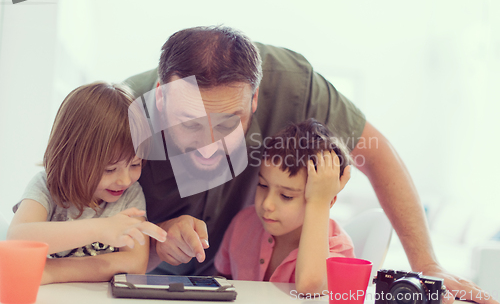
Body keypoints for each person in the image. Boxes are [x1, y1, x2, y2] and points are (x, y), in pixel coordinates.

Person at [124, 25, 496, 304]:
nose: (208, 146)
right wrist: (155, 241)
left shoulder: (293, 85)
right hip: (146, 278)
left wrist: (427, 264)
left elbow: (377, 155)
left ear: (255, 100)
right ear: (160, 96)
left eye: (228, 122)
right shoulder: (117, 115)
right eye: (188, 123)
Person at [7, 82, 167, 284]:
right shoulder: (47, 186)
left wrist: (49, 272)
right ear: (72, 156)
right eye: (109, 169)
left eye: (135, 164)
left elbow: (135, 263)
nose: (125, 180)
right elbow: (17, 239)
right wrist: (100, 229)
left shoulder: (130, 193)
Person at [214, 119, 354, 294]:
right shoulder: (243, 223)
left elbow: (310, 286)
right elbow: (221, 282)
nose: (267, 204)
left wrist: (319, 204)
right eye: (263, 185)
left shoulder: (338, 247)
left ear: (328, 201)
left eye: (286, 196)